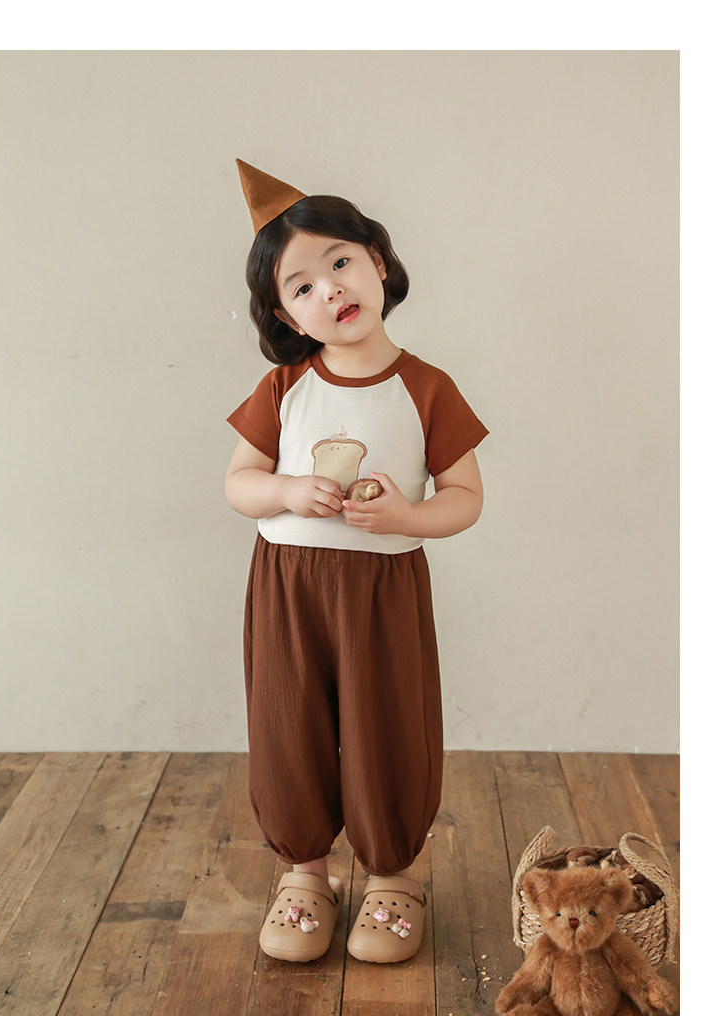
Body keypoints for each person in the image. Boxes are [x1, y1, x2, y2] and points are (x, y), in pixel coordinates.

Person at [225, 160, 488, 964]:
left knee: (388, 725)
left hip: (382, 590)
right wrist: (285, 490)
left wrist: (406, 516)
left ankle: (392, 875)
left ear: (377, 260)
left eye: (340, 262)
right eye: (301, 286)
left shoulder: (426, 388)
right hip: (288, 588)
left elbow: (465, 497)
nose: (330, 289)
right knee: (288, 722)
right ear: (285, 314)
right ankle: (305, 872)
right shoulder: (284, 388)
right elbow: (238, 485)